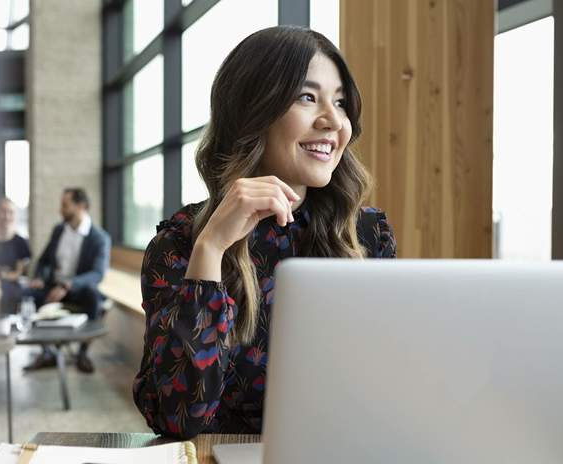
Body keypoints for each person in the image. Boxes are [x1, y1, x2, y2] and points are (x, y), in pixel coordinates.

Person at [132, 26, 397, 439]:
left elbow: (386, 387)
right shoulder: (181, 243)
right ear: (254, 111)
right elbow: (176, 418)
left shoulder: (367, 235)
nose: (332, 121)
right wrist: (212, 249)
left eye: (341, 102)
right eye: (307, 97)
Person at [24, 187, 111, 373]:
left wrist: (67, 285)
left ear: (81, 206)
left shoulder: (100, 238)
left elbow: (98, 274)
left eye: (65, 205)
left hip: (78, 290)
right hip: (52, 286)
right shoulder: (59, 230)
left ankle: (82, 353)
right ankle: (47, 351)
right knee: (26, 293)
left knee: (94, 298)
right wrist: (39, 277)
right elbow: (44, 260)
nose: (60, 210)